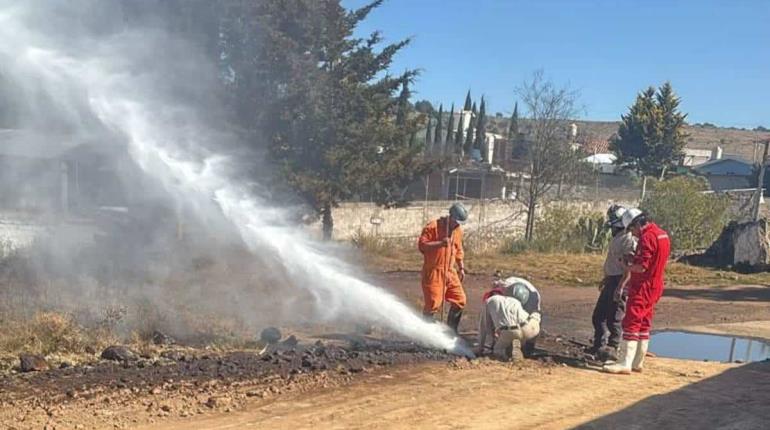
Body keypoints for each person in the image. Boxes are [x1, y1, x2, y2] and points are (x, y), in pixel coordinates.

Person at [603, 208, 670, 374]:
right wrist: (633, 259)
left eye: (632, 229)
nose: (632, 234)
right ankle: (637, 361)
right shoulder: (662, 234)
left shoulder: (647, 237)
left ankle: (624, 363)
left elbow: (642, 267)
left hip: (643, 286)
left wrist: (627, 266)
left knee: (631, 322)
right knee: (644, 322)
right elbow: (653, 260)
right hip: (655, 284)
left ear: (637, 224)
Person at [590, 204, 637, 361]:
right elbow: (614, 262)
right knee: (598, 316)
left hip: (619, 282)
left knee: (614, 319)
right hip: (612, 280)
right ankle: (599, 347)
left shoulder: (628, 241)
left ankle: (613, 349)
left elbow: (628, 267)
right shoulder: (617, 238)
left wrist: (621, 286)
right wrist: (606, 278)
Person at [418, 202, 468, 333]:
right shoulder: (433, 227)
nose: (457, 225)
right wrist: (440, 243)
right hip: (434, 271)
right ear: (450, 216)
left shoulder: (457, 231)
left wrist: (461, 267)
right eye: (456, 221)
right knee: (433, 303)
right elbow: (422, 245)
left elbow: (458, 249)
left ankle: (451, 332)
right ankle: (426, 335)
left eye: (459, 223)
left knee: (460, 300)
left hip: (450, 271)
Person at [477, 276, 542, 361]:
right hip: (531, 329)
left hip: (512, 332)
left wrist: (481, 348)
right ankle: (526, 349)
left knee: (497, 350)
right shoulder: (514, 300)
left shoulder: (488, 302)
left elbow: (485, 329)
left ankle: (510, 356)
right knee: (535, 316)